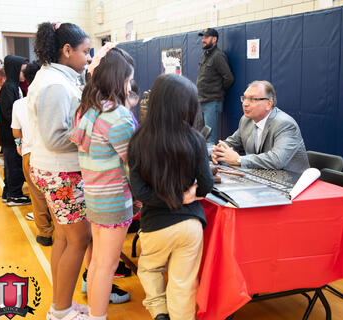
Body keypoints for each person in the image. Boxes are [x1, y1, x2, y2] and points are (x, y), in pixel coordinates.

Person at [128, 74, 214, 320]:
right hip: (190, 225)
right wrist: (184, 196)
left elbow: (140, 192)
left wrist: (171, 198)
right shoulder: (195, 139)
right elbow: (206, 183)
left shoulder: (138, 140)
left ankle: (159, 312)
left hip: (155, 226)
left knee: (149, 269)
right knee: (183, 283)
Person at [27, 22, 91, 320]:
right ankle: (62, 310)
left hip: (53, 171)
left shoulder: (56, 77)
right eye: (85, 52)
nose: (88, 58)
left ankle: (60, 304)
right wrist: (95, 135)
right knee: (79, 240)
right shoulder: (55, 83)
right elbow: (55, 137)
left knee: (65, 239)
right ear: (67, 51)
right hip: (60, 173)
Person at [70, 46, 138, 320]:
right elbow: (134, 163)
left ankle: (96, 315)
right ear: (117, 79)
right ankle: (98, 316)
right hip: (113, 201)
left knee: (98, 263)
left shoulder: (88, 110)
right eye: (128, 80)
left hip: (96, 196)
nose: (130, 85)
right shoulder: (118, 117)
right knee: (106, 266)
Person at [211, 80, 309, 173]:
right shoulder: (246, 120)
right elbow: (232, 143)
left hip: (292, 183)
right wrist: (217, 152)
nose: (245, 104)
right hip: (261, 179)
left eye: (252, 99)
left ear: (268, 104)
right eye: (244, 98)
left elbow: (277, 160)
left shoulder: (285, 124)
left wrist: (238, 159)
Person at [11, 60, 54, 244]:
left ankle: (45, 233)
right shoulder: (52, 100)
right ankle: (61, 232)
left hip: (30, 155)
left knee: (37, 196)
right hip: (52, 153)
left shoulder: (19, 104)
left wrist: (20, 144)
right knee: (55, 195)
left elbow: (16, 131)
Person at [0, 55, 31, 206]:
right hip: (9, 134)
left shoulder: (13, 86)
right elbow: (8, 112)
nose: (24, 74)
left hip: (9, 133)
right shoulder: (9, 87)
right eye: (22, 70)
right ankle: (14, 194)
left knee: (10, 166)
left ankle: (8, 192)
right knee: (14, 166)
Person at [196, 27, 234, 144]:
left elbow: (229, 78)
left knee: (210, 137)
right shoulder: (204, 55)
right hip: (201, 101)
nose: (203, 40)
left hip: (212, 102)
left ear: (214, 39)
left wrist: (218, 92)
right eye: (203, 37)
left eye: (206, 37)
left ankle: (210, 162)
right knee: (200, 134)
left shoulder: (218, 56)